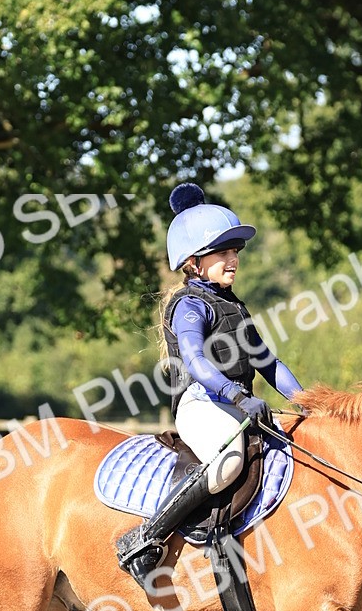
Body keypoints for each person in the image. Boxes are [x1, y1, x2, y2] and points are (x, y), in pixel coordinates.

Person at [117, 182, 303, 589]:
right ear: (194, 262)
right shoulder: (189, 305)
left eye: (235, 251)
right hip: (201, 405)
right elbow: (198, 364)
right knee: (230, 462)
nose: (233, 258)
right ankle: (146, 537)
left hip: (237, 405)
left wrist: (307, 402)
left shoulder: (234, 305)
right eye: (223, 252)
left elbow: (267, 362)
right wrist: (238, 395)